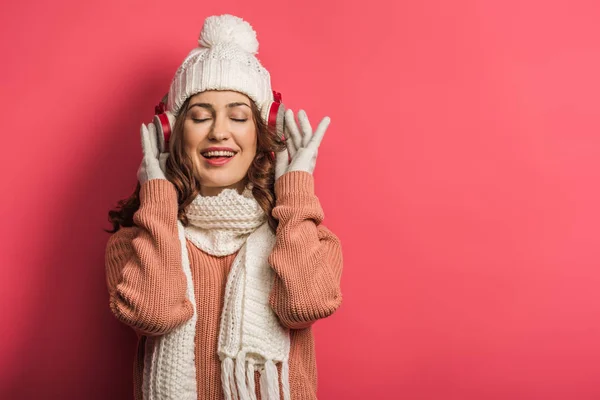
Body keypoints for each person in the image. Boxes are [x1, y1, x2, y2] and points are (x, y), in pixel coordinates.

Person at [104, 14, 343, 400]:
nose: (218, 131)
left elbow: (305, 304)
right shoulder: (135, 243)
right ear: (171, 134)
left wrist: (296, 191)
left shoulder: (305, 237)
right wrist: (158, 195)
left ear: (261, 131)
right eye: (200, 116)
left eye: (238, 116)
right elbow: (156, 314)